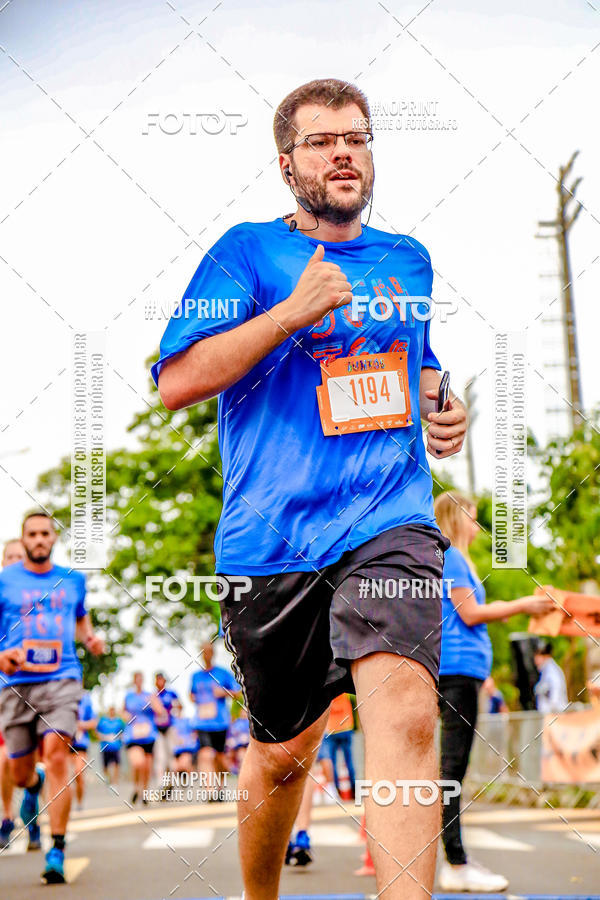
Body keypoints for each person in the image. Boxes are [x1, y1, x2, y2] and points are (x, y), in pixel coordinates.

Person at [153, 76, 469, 900]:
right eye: (324, 141)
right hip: (274, 541)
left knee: (403, 710)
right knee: (285, 751)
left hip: (389, 519)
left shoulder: (409, 260)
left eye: (358, 138)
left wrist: (442, 402)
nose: (344, 152)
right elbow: (178, 380)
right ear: (288, 163)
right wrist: (290, 313)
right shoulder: (246, 254)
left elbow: (417, 363)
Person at [434, 491, 557, 892]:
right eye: (472, 517)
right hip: (455, 672)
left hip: (465, 673)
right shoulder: (451, 557)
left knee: (452, 769)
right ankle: (455, 863)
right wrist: (522, 604)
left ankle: (454, 859)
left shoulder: (460, 561)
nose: (477, 524)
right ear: (455, 518)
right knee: (451, 770)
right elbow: (468, 614)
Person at [0, 510, 104, 883]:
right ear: (23, 538)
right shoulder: (4, 581)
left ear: (54, 538)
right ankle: (31, 787)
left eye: (46, 533)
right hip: (15, 685)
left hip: (62, 679)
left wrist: (89, 638)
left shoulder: (72, 580)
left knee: (57, 751)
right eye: (33, 534)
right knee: (21, 770)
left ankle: (56, 848)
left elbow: (80, 616)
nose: (40, 539)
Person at [0, 537, 25, 849]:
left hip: (40, 690)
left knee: (25, 765)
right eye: (10, 558)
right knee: (4, 758)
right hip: (4, 690)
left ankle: (32, 795)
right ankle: (7, 816)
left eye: (21, 557)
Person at [190, 642, 241, 796]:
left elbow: (237, 693)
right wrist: (196, 699)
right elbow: (191, 695)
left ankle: (219, 788)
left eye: (209, 652)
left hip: (220, 722)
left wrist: (223, 692)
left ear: (213, 654)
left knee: (219, 757)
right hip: (201, 722)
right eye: (203, 652)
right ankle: (210, 791)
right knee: (205, 754)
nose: (206, 655)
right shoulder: (196, 676)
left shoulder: (223, 673)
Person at [123, 672, 165, 804]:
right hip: (133, 735)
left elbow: (161, 712)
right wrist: (125, 716)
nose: (139, 681)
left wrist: (153, 703)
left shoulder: (150, 696)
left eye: (141, 679)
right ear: (134, 681)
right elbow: (123, 711)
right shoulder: (128, 696)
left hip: (148, 736)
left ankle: (145, 792)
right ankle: (136, 787)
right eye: (137, 679)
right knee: (137, 763)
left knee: (147, 766)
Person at [322, 692, 356, 800]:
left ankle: (335, 791)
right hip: (346, 726)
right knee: (349, 760)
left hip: (331, 728)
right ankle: (354, 790)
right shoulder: (344, 690)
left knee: (332, 761)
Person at [69, 691, 97, 810]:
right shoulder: (62, 693)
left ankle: (79, 803)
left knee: (78, 773)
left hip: (80, 743)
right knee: (65, 777)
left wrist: (80, 725)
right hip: (64, 743)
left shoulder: (86, 698)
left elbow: (94, 723)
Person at [153, 672, 180, 783]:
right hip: (158, 729)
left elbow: (179, 706)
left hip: (170, 728)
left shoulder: (171, 694)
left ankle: (171, 781)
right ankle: (161, 783)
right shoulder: (153, 696)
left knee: (171, 755)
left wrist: (176, 713)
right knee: (160, 757)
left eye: (161, 679)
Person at [533, 640, 568, 714]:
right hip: (550, 716)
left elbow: (556, 693)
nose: (535, 660)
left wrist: (552, 711)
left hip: (555, 715)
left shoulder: (551, 671)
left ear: (546, 656)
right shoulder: (545, 671)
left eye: (537, 656)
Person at [96, 706, 126, 785]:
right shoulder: (103, 721)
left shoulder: (119, 721)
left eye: (113, 710)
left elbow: (123, 732)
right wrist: (103, 737)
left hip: (116, 747)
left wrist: (117, 737)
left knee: (116, 764)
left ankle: (115, 782)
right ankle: (109, 778)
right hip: (105, 747)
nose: (112, 711)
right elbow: (97, 731)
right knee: (105, 767)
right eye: (110, 710)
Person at [171, 706, 198, 778]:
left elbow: (194, 734)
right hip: (176, 750)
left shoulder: (188, 721)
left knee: (185, 765)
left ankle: (189, 783)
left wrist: (187, 741)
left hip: (187, 749)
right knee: (175, 767)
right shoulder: (172, 721)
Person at [225, 707, 250, 775]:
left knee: (241, 754)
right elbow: (229, 737)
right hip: (234, 747)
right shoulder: (236, 723)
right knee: (227, 755)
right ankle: (232, 770)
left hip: (246, 747)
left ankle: (242, 773)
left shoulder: (251, 723)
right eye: (242, 711)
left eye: (245, 711)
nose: (244, 713)